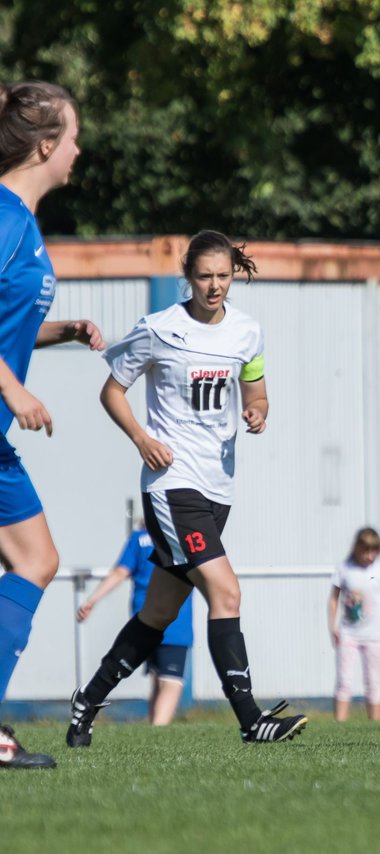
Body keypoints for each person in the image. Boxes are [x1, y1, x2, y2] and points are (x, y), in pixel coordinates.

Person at [67, 229, 307, 747]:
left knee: (158, 612)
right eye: (204, 276)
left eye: (223, 276)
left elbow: (258, 391)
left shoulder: (247, 333)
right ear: (188, 276)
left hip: (218, 488)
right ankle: (250, 719)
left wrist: (257, 412)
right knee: (226, 591)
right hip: (173, 485)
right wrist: (141, 439)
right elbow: (112, 392)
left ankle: (86, 701)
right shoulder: (159, 329)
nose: (214, 286)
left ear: (233, 275)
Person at [1, 80, 103, 770]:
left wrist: (56, 331)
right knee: (34, 560)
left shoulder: (24, 223)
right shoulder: (4, 217)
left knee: (36, 559)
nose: (78, 148)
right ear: (45, 145)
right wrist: (14, 392)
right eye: (71, 135)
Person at [76, 523, 195, 724]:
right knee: (171, 683)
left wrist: (92, 600)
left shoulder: (139, 539)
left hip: (143, 620)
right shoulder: (184, 536)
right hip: (176, 622)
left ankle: (152, 729)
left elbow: (119, 572)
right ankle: (159, 732)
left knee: (158, 680)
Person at [329, 527, 380, 721]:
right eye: (365, 550)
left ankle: (375, 723)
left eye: (374, 551)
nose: (369, 555)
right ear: (357, 548)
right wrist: (333, 627)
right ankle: (340, 722)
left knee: (373, 681)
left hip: (374, 635)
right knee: (344, 680)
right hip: (349, 633)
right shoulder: (345, 569)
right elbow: (334, 600)